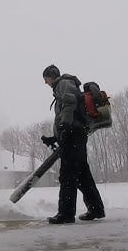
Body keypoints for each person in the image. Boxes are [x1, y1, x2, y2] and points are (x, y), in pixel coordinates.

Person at [41, 64, 105, 224]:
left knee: (67, 175)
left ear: (50, 77)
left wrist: (65, 126)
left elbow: (69, 105)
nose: (45, 83)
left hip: (73, 136)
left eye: (45, 79)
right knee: (82, 175)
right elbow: (68, 115)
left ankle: (66, 214)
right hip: (75, 135)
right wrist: (55, 137)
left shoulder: (63, 84)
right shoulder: (65, 85)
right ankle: (96, 209)